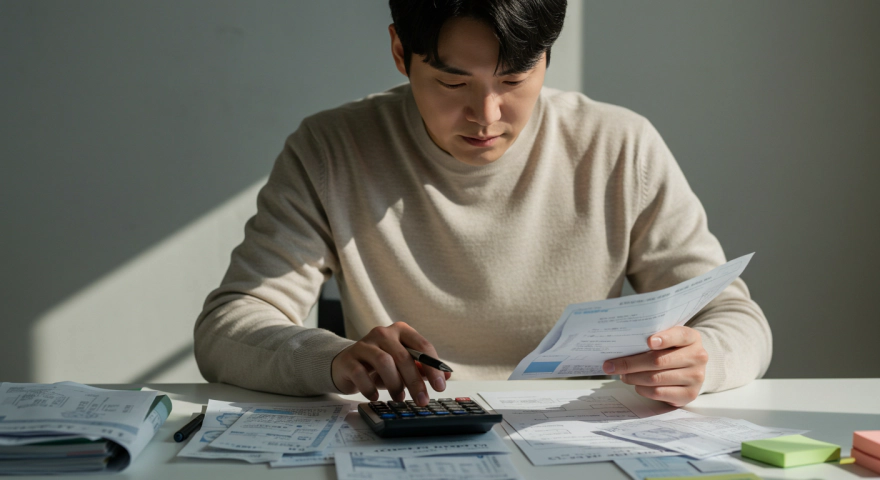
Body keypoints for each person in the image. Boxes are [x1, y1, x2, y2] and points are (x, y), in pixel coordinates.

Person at [194, 0, 772, 409]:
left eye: (516, 78)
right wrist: (332, 357)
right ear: (400, 50)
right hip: (412, 434)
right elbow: (228, 327)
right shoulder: (332, 149)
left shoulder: (619, 146)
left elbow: (738, 320)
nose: (487, 116)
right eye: (452, 84)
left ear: (545, 55)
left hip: (575, 436)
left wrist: (702, 359)